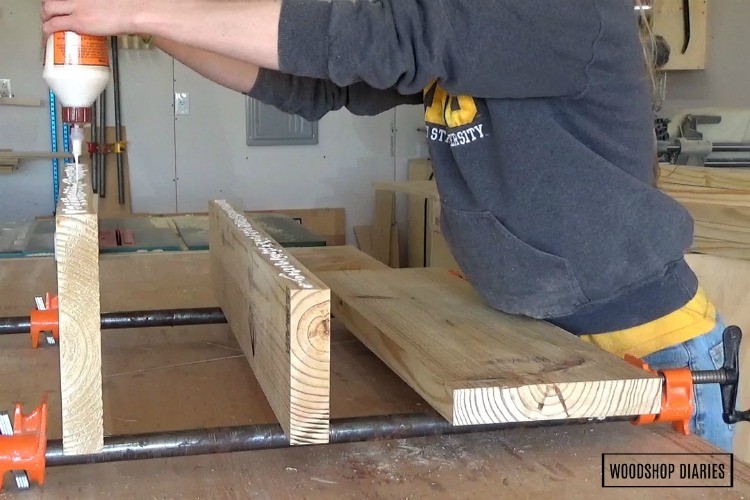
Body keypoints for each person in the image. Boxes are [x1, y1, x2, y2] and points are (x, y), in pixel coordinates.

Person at [41, 0, 735, 451]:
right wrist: (148, 25)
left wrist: (143, 6)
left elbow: (380, 36)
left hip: (649, 356)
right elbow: (311, 84)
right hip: (536, 345)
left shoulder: (561, 12)